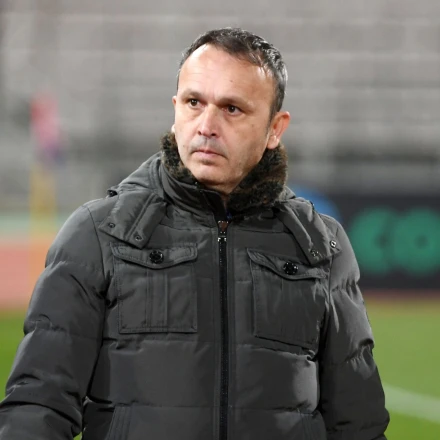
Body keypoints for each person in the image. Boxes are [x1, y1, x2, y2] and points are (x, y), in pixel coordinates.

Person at [0, 28, 389, 440]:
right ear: (175, 110)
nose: (206, 126)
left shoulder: (321, 246)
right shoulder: (97, 233)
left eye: (232, 109)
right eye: (193, 103)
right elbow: (38, 406)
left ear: (275, 129)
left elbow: (358, 424)